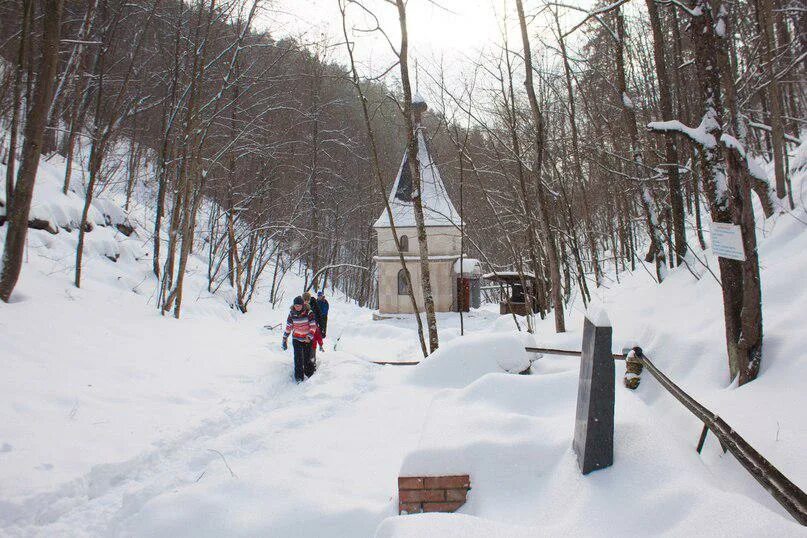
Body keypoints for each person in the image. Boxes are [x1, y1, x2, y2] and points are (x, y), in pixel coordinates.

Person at [282, 296, 317, 382]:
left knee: (307, 357)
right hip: (297, 338)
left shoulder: (309, 313)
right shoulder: (291, 314)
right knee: (297, 358)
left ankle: (309, 374)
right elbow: (289, 326)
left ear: (302, 305)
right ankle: (298, 377)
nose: (297, 307)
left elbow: (313, 326)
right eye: (295, 305)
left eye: (299, 305)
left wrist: (309, 336)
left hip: (306, 339)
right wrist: (285, 337)